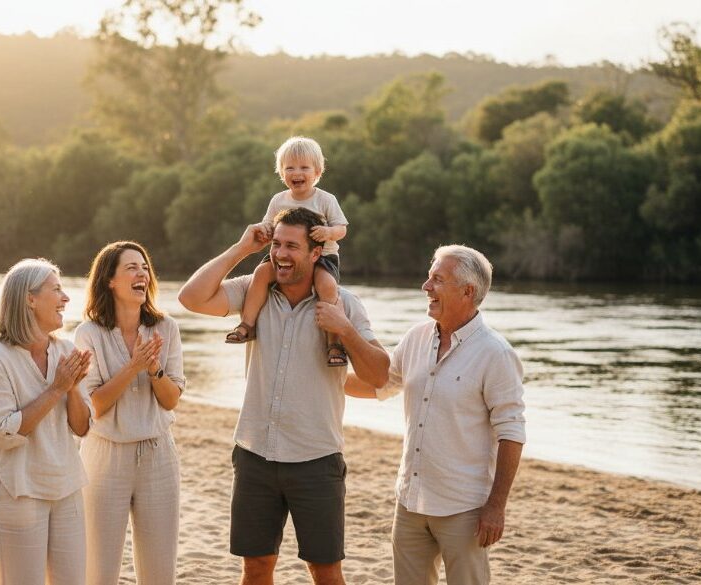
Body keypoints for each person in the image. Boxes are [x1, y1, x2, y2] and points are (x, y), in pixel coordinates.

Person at [178, 206, 390, 585]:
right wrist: (242, 249)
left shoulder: (345, 304)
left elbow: (379, 377)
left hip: (316, 460)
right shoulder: (252, 293)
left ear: (315, 253)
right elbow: (191, 298)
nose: (280, 254)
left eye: (292, 246)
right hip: (255, 457)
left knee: (325, 572)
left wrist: (347, 332)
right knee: (256, 569)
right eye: (277, 244)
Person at [345, 245, 526, 585]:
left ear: (468, 292)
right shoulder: (415, 337)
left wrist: (496, 506)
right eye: (429, 278)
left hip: (464, 509)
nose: (425, 287)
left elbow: (512, 432)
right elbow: (380, 385)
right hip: (410, 503)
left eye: (437, 280)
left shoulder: (495, 354)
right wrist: (328, 378)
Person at [0, 258, 93, 585]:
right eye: (56, 289)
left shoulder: (66, 350)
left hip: (66, 484)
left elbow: (82, 427)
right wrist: (57, 387)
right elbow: (4, 432)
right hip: (17, 488)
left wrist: (71, 390)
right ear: (30, 299)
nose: (66, 298)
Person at [74, 241, 185, 585]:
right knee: (99, 570)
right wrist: (132, 365)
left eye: (145, 267)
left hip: (158, 454)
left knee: (159, 571)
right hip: (104, 456)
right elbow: (94, 406)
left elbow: (171, 400)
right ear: (109, 280)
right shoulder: (88, 333)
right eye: (131, 268)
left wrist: (153, 370)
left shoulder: (166, 328)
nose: (142, 274)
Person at [225, 136, 351, 368]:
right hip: (284, 255)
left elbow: (342, 228)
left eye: (304, 167)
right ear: (281, 173)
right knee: (261, 274)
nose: (297, 172)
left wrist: (329, 232)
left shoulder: (325, 199)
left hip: (323, 256)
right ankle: (247, 325)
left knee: (327, 285)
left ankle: (334, 342)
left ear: (317, 172)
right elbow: (267, 223)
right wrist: (264, 230)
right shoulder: (278, 200)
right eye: (289, 167)